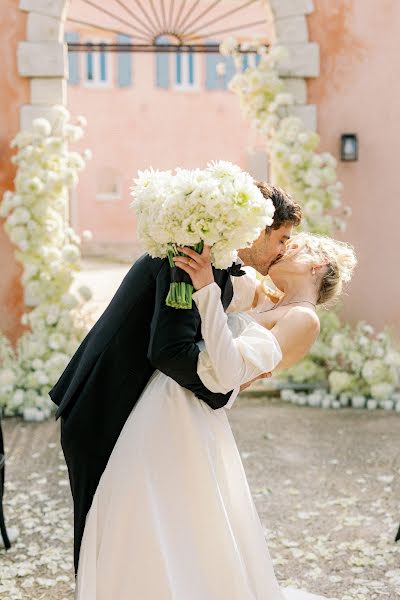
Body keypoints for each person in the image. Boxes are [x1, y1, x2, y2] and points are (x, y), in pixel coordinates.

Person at [75, 233, 356, 599]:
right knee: (139, 506)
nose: (283, 248)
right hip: (162, 396)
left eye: (293, 245)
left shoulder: (303, 319)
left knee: (171, 508)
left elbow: (227, 373)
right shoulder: (261, 297)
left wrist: (206, 290)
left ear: (315, 265)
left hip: (192, 409)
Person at [49, 183, 302, 575]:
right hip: (101, 404)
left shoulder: (212, 261)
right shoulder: (188, 254)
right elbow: (168, 350)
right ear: (260, 228)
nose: (283, 249)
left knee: (125, 535)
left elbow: (215, 310)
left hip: (128, 406)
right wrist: (220, 393)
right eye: (282, 238)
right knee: (98, 536)